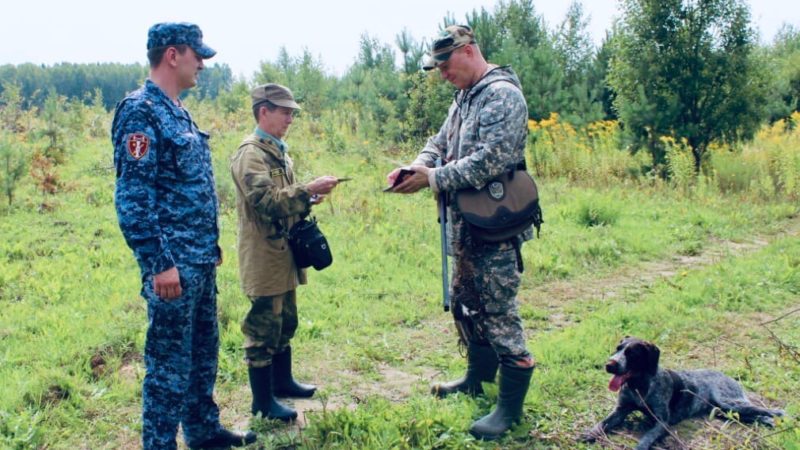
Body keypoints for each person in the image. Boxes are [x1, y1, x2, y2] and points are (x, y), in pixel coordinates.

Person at [387, 25, 536, 441]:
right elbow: (439, 142)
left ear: (468, 51)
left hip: (495, 225)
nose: (441, 74)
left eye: (446, 65)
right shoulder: (465, 97)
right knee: (467, 303)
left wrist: (431, 178)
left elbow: (489, 161)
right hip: (467, 223)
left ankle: (509, 408)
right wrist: (417, 166)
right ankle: (476, 378)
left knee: (499, 311)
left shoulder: (502, 95)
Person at [112, 22, 256, 449]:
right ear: (173, 55)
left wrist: (208, 249)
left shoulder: (177, 110)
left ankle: (203, 431)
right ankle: (160, 444)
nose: (203, 65)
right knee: (168, 365)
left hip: (198, 262)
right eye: (198, 56)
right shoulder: (140, 111)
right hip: (171, 267)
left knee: (201, 355)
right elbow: (134, 199)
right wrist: (159, 264)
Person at [230, 83, 339, 422]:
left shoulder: (276, 150)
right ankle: (263, 404)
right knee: (264, 326)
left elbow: (283, 196)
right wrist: (307, 190)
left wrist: (308, 198)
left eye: (292, 111)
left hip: (283, 253)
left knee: (285, 320)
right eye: (285, 111)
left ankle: (283, 383)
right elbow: (264, 203)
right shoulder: (251, 154)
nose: (291, 117)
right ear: (264, 111)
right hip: (264, 256)